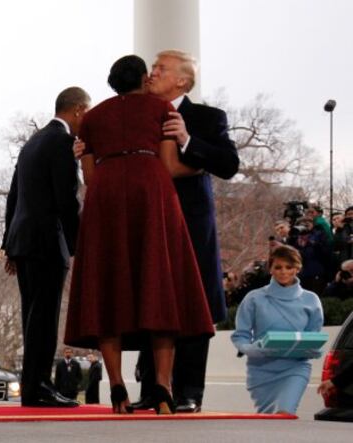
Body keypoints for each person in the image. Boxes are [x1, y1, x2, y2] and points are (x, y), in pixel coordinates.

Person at [64, 55, 215, 415]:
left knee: (108, 289)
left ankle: (117, 388)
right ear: (143, 78)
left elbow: (88, 177)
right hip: (151, 191)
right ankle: (163, 389)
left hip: (106, 197)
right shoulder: (161, 108)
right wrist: (202, 165)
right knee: (161, 285)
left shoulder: (92, 117)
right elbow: (168, 164)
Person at [131, 49, 239, 414]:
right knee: (149, 299)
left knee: (194, 305)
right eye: (151, 67)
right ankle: (152, 390)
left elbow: (229, 164)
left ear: (182, 80)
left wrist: (188, 140)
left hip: (191, 225)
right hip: (146, 222)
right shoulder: (137, 113)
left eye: (159, 69)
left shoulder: (208, 118)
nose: (151, 73)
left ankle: (189, 391)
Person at [1, 87, 91, 407]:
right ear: (79, 109)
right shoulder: (62, 143)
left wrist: (9, 246)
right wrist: (78, 247)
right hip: (47, 242)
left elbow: (15, 196)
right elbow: (66, 200)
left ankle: (33, 387)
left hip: (24, 242)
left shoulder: (32, 143)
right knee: (45, 317)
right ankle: (39, 386)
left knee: (32, 316)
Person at [231, 245, 324, 414]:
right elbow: (241, 336)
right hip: (261, 370)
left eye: (289, 267)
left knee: (285, 412)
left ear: (298, 268)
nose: (283, 272)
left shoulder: (311, 300)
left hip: (295, 368)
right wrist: (253, 349)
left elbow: (313, 336)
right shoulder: (254, 298)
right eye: (278, 267)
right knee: (268, 420)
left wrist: (311, 350)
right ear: (270, 270)